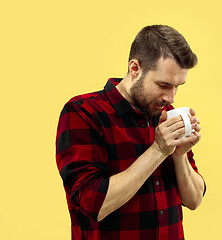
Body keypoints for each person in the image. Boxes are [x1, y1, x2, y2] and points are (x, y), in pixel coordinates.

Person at [56, 24, 206, 240]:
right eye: (163, 85)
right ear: (135, 68)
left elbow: (194, 200)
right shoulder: (83, 112)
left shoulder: (167, 113)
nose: (171, 98)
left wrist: (179, 154)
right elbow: (93, 205)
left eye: (177, 86)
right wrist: (158, 150)